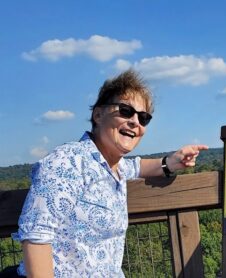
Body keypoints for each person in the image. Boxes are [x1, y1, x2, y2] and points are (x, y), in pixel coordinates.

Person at [10, 69, 208, 277]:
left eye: (143, 118)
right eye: (125, 110)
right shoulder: (67, 162)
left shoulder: (116, 167)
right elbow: (36, 236)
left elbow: (138, 166)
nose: (135, 122)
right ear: (98, 114)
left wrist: (170, 163)